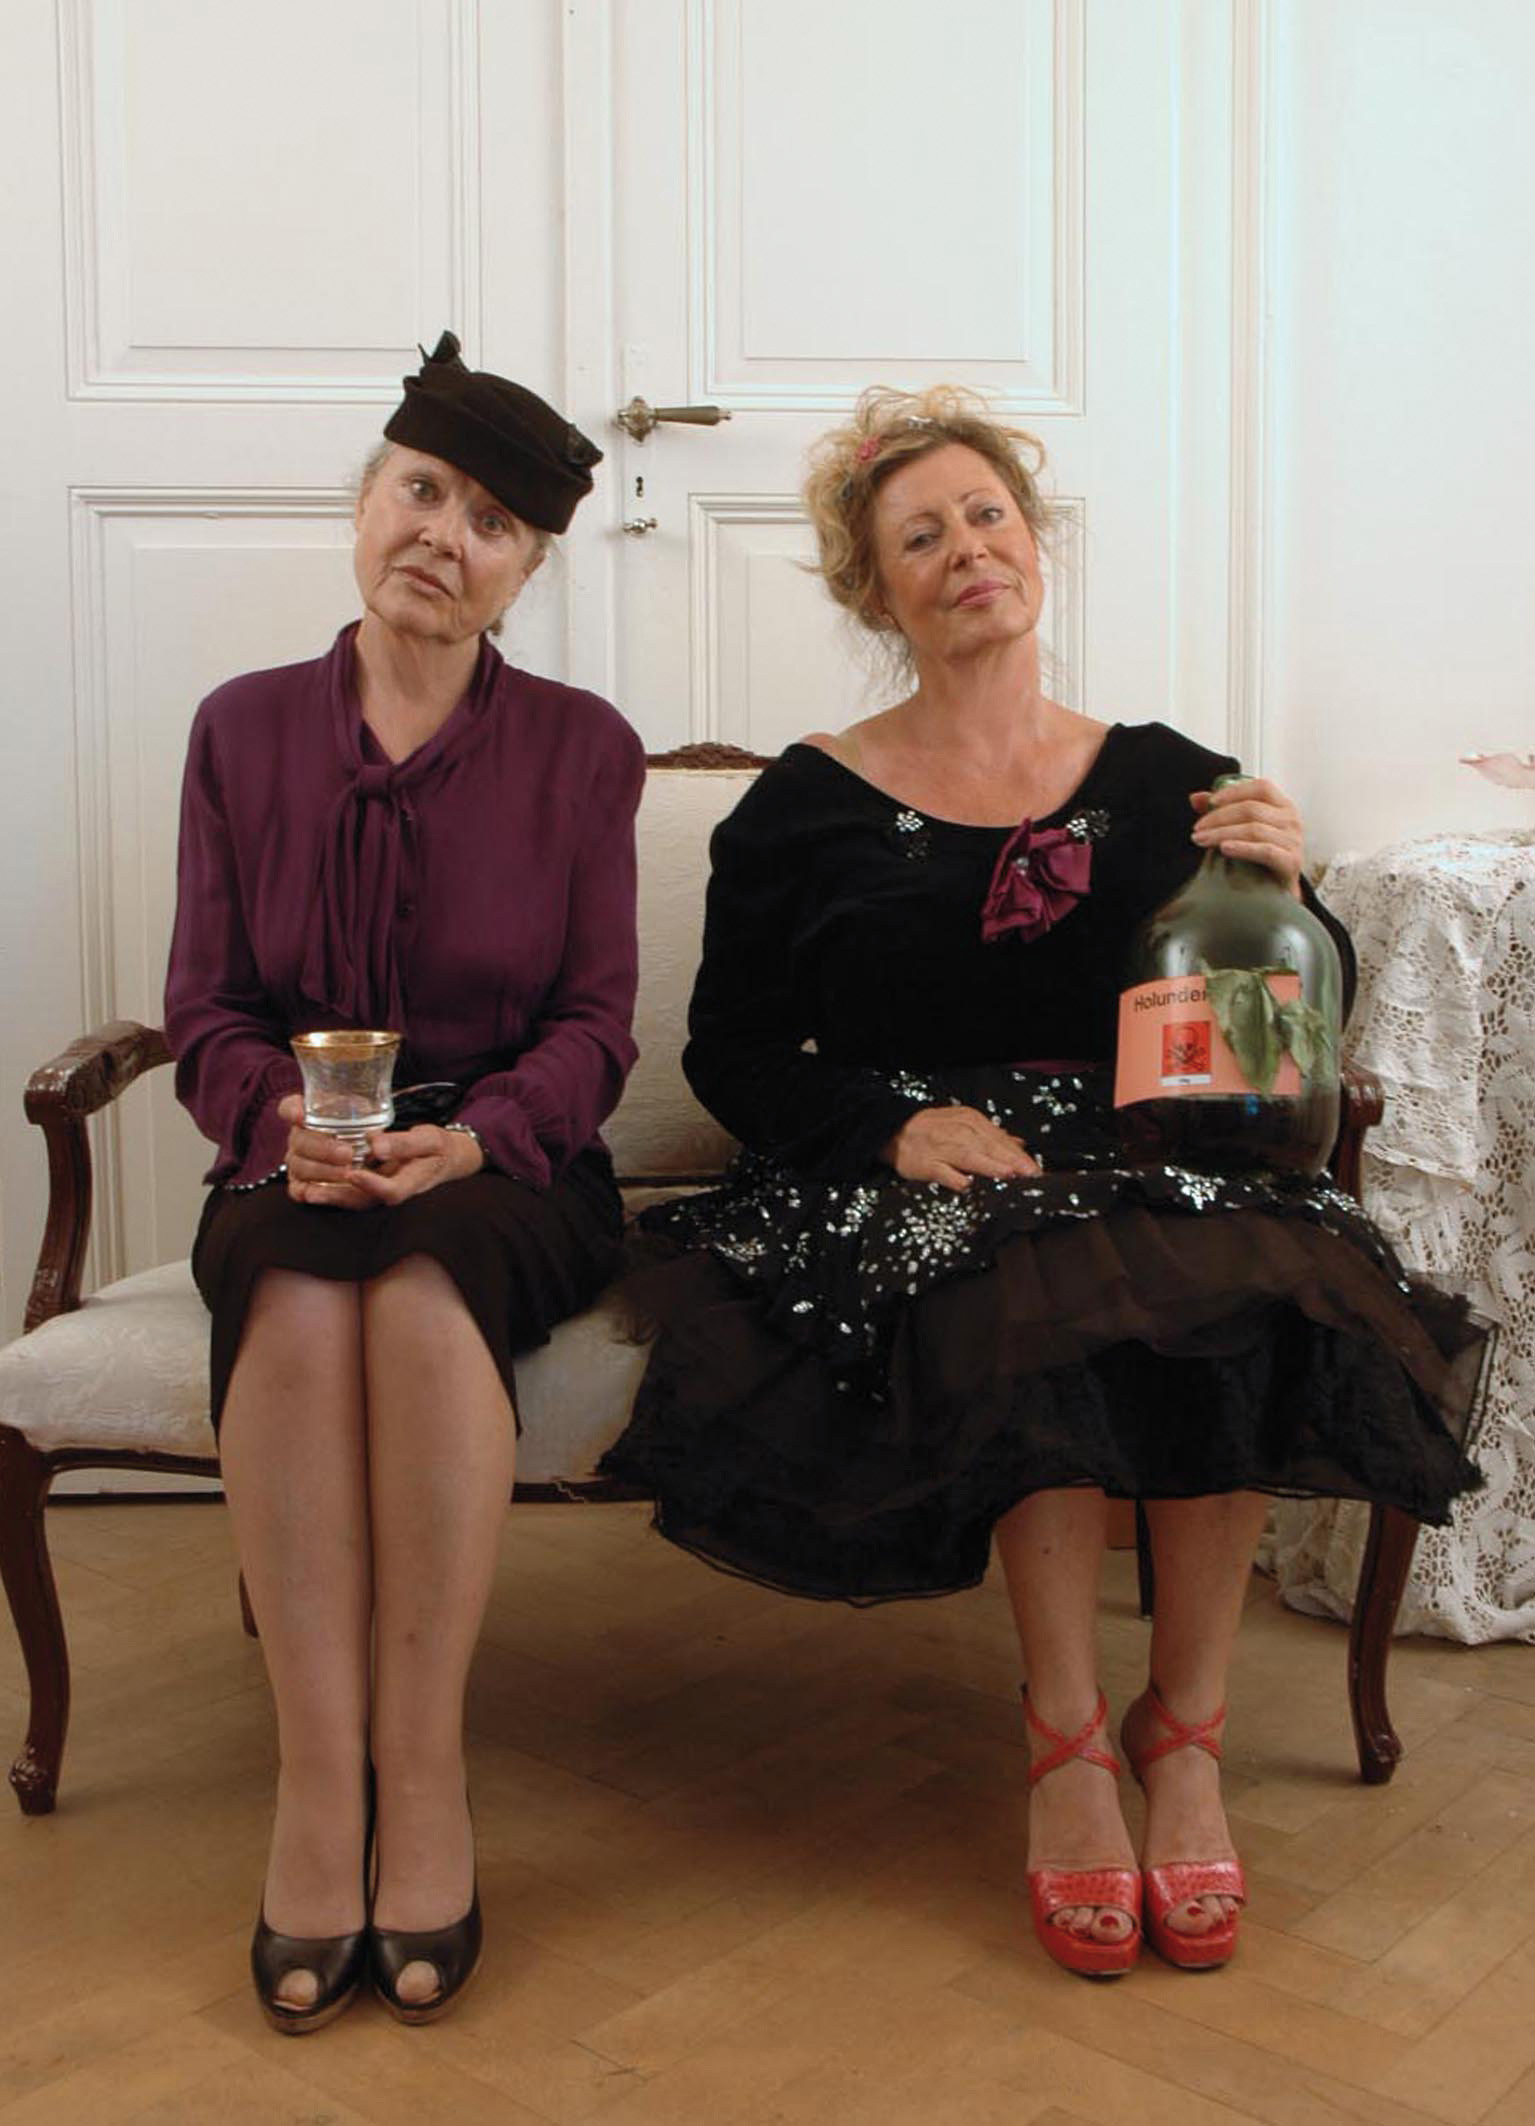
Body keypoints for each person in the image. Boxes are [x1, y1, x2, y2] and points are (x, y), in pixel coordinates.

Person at [600, 385, 1486, 1979]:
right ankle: (1068, 1736)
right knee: (1030, 1269)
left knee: (1251, 1263)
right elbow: (730, 1049)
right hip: (924, 1169)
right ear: (878, 592)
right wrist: (890, 1127)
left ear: (1035, 543)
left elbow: (1281, 1019)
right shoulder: (802, 803)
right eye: (919, 537)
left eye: (986, 515)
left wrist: (1292, 890)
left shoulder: (1174, 777)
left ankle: (1187, 1726)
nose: (965, 550)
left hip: (1151, 1152)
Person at [165, 332, 645, 2031]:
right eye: (424, 490)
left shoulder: (584, 748)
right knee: (301, 1295)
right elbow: (207, 1010)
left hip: (508, 1153)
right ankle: (318, 1779)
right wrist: (272, 1121)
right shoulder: (239, 731)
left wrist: (486, 1132)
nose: (447, 534)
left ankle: (424, 1772)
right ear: (368, 498)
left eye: (493, 521)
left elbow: (598, 1022)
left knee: (429, 1284)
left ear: (527, 570)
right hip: (290, 1145)